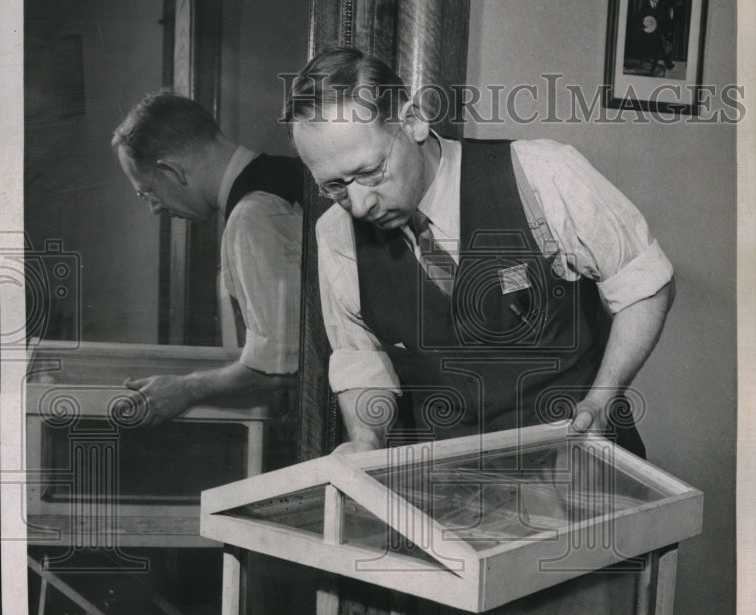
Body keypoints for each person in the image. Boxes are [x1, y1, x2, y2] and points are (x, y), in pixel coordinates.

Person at [285, 47, 675, 458]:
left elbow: (643, 284)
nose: (360, 204)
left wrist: (601, 401)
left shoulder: (541, 171)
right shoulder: (336, 235)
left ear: (414, 121)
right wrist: (365, 440)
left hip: (584, 474)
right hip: (455, 491)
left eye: (370, 172)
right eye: (335, 186)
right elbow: (360, 359)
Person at [112, 90, 303, 425]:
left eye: (147, 192)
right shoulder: (284, 175)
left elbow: (281, 366)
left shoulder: (252, 216)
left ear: (171, 170)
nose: (154, 208)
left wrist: (187, 389)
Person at [636, 0, 676, 72]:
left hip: (656, 34)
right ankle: (667, 62)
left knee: (660, 38)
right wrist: (645, 25)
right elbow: (639, 21)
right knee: (660, 40)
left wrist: (671, 16)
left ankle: (656, 65)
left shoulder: (660, 8)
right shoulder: (644, 6)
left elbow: (665, 22)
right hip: (645, 34)